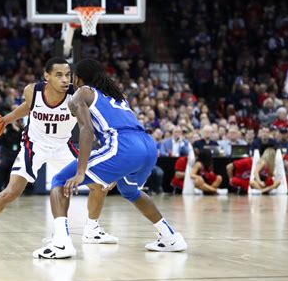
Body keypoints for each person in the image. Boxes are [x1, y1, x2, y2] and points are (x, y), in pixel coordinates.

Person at [0, 57, 117, 249]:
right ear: (47, 76)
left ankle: (92, 230)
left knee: (101, 185)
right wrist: (5, 120)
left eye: (68, 75)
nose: (65, 79)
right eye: (59, 75)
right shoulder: (32, 91)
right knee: (11, 192)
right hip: (34, 145)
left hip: (63, 146)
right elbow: (28, 107)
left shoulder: (77, 96)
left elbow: (92, 126)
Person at [33, 59, 187, 259]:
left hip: (123, 146)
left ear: (77, 78)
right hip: (148, 146)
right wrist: (117, 169)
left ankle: (61, 244)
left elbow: (86, 131)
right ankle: (170, 237)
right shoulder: (117, 96)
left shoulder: (82, 93)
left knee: (59, 181)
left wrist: (81, 172)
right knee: (130, 190)